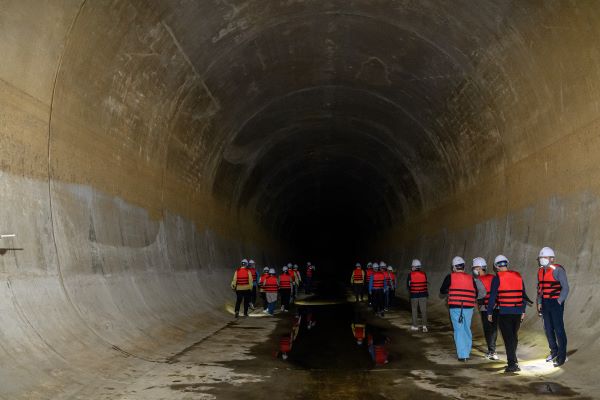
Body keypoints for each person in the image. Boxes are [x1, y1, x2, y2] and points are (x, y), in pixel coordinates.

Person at [439, 256, 486, 361]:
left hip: (455, 307)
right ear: (464, 267)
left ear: (454, 267)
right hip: (469, 307)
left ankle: (463, 354)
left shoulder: (450, 277)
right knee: (466, 328)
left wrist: (451, 291)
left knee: (458, 329)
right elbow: (476, 293)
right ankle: (467, 351)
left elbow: (442, 290)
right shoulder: (471, 278)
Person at [487, 255, 528, 373]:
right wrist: (523, 310)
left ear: (496, 266)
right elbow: (523, 295)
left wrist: (489, 312)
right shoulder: (518, 276)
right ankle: (513, 360)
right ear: (507, 264)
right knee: (513, 337)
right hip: (517, 311)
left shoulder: (497, 278)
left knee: (508, 338)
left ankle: (512, 364)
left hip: (505, 312)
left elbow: (493, 297)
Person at [537, 247, 569, 367]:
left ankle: (562, 356)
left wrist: (559, 301)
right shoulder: (540, 271)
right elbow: (540, 289)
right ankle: (554, 352)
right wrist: (539, 302)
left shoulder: (558, 270)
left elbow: (565, 288)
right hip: (545, 303)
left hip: (555, 303)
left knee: (559, 329)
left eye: (544, 257)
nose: (542, 260)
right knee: (548, 329)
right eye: (541, 258)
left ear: (552, 259)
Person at [472, 257, 499, 360]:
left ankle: (492, 351)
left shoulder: (477, 280)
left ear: (479, 268)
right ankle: (493, 350)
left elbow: (480, 295)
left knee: (488, 330)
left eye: (475, 268)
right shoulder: (493, 277)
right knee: (494, 329)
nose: (474, 270)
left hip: (485, 308)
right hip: (496, 307)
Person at [407, 259, 428, 332]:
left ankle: (415, 326)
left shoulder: (410, 275)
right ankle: (424, 326)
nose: (411, 268)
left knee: (414, 310)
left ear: (414, 267)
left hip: (414, 295)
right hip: (423, 294)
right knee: (423, 310)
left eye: (412, 266)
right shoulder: (424, 274)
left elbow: (408, 285)